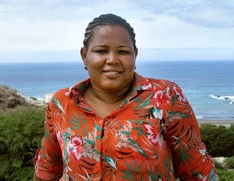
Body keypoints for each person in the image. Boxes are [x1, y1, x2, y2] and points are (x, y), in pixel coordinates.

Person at [33, 13, 218, 181]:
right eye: (101, 51)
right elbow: (46, 170)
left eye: (123, 51)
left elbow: (197, 172)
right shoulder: (62, 104)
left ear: (135, 56)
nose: (112, 59)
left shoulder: (165, 97)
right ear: (84, 55)